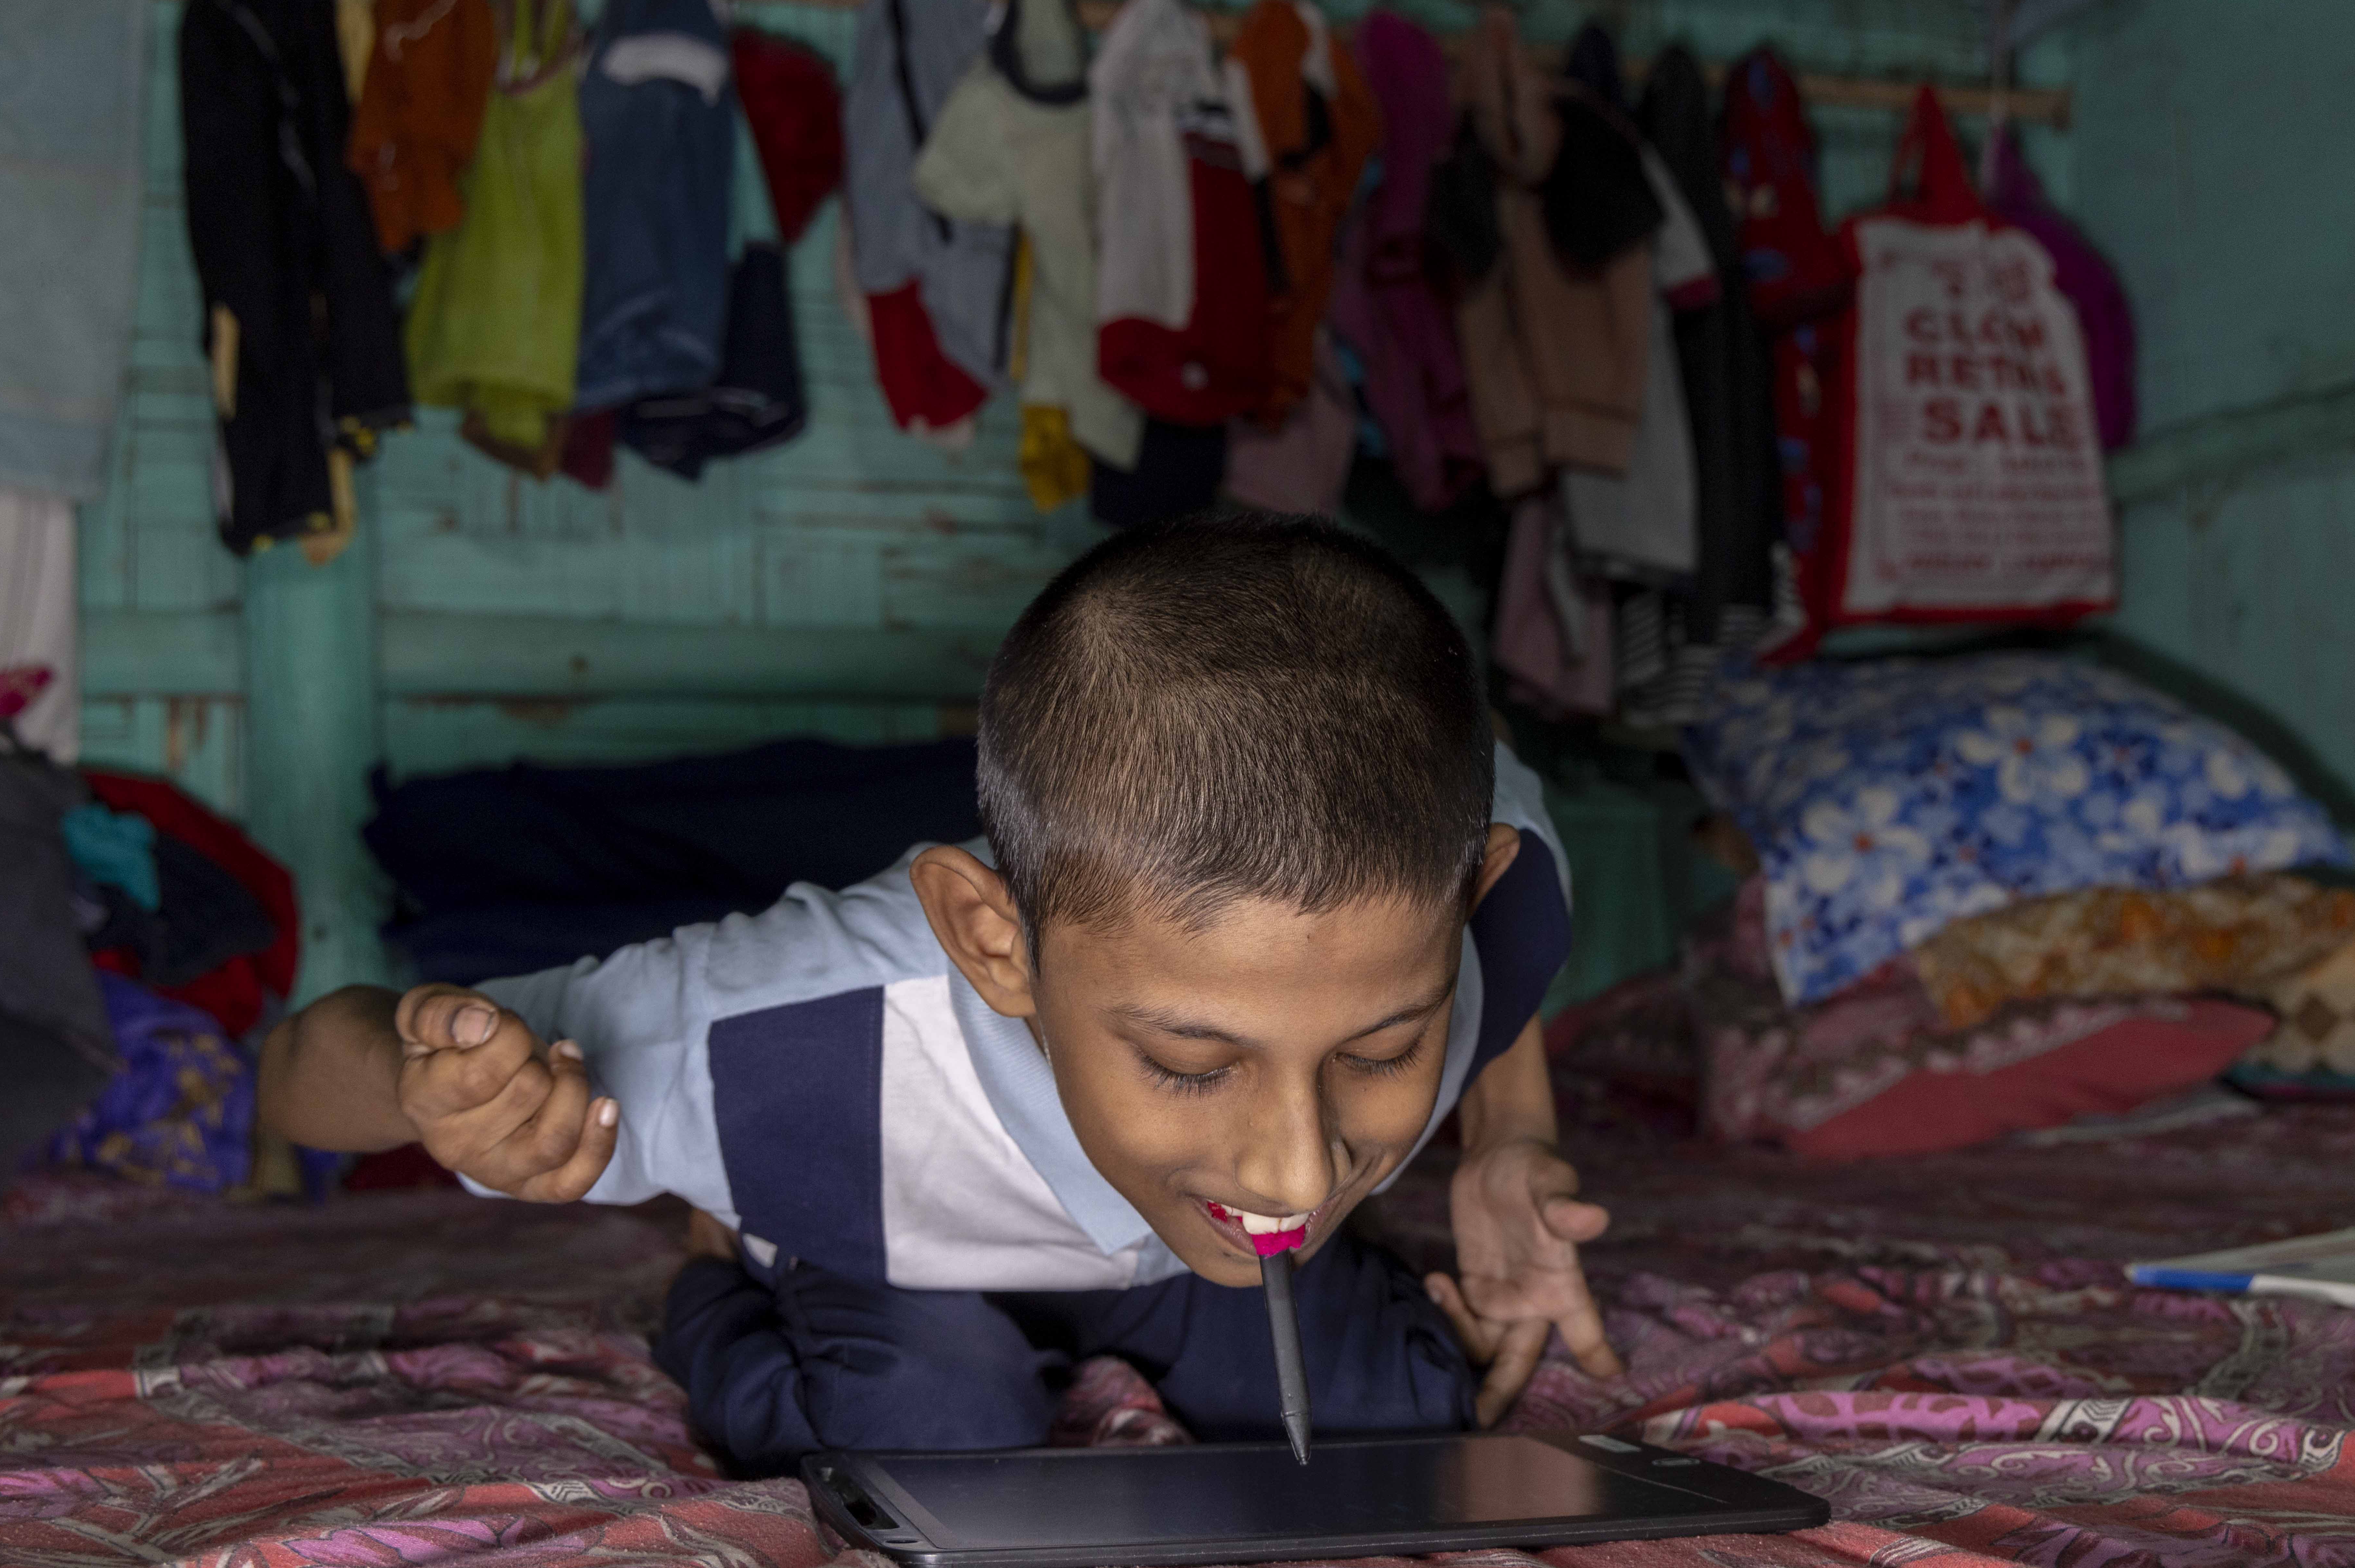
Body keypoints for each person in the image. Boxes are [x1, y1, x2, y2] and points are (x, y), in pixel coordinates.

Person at [258, 514, 1621, 1475]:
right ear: (991, 940)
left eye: (1379, 1046)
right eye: (1192, 1061)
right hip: (889, 1227)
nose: (1300, 1159)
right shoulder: (792, 1041)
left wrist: (1505, 1134)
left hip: (1177, 1244)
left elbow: (1511, 827)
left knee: (1400, 1411)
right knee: (931, 1425)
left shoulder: (1467, 889)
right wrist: (423, 1083)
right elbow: (297, 1077)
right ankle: (708, 1276)